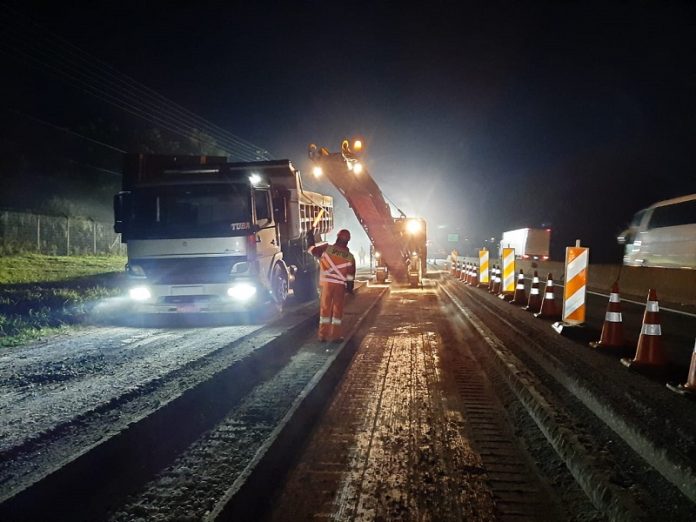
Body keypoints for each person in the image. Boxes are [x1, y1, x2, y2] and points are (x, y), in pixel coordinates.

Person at [307, 228, 356, 342]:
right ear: (348, 241)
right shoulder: (349, 256)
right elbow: (350, 276)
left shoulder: (326, 248)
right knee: (337, 311)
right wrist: (350, 288)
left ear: (337, 237)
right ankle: (335, 336)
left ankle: (322, 335)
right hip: (339, 286)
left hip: (326, 285)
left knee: (325, 310)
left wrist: (310, 237)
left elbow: (311, 250)